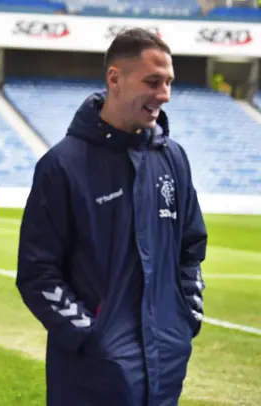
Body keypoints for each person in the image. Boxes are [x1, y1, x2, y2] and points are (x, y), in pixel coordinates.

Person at [16, 28, 207, 406]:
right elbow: (38, 272)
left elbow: (191, 247)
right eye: (153, 81)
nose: (164, 94)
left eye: (168, 82)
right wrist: (92, 336)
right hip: (91, 375)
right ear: (115, 79)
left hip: (165, 362)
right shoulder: (61, 166)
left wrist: (185, 319)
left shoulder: (173, 159)